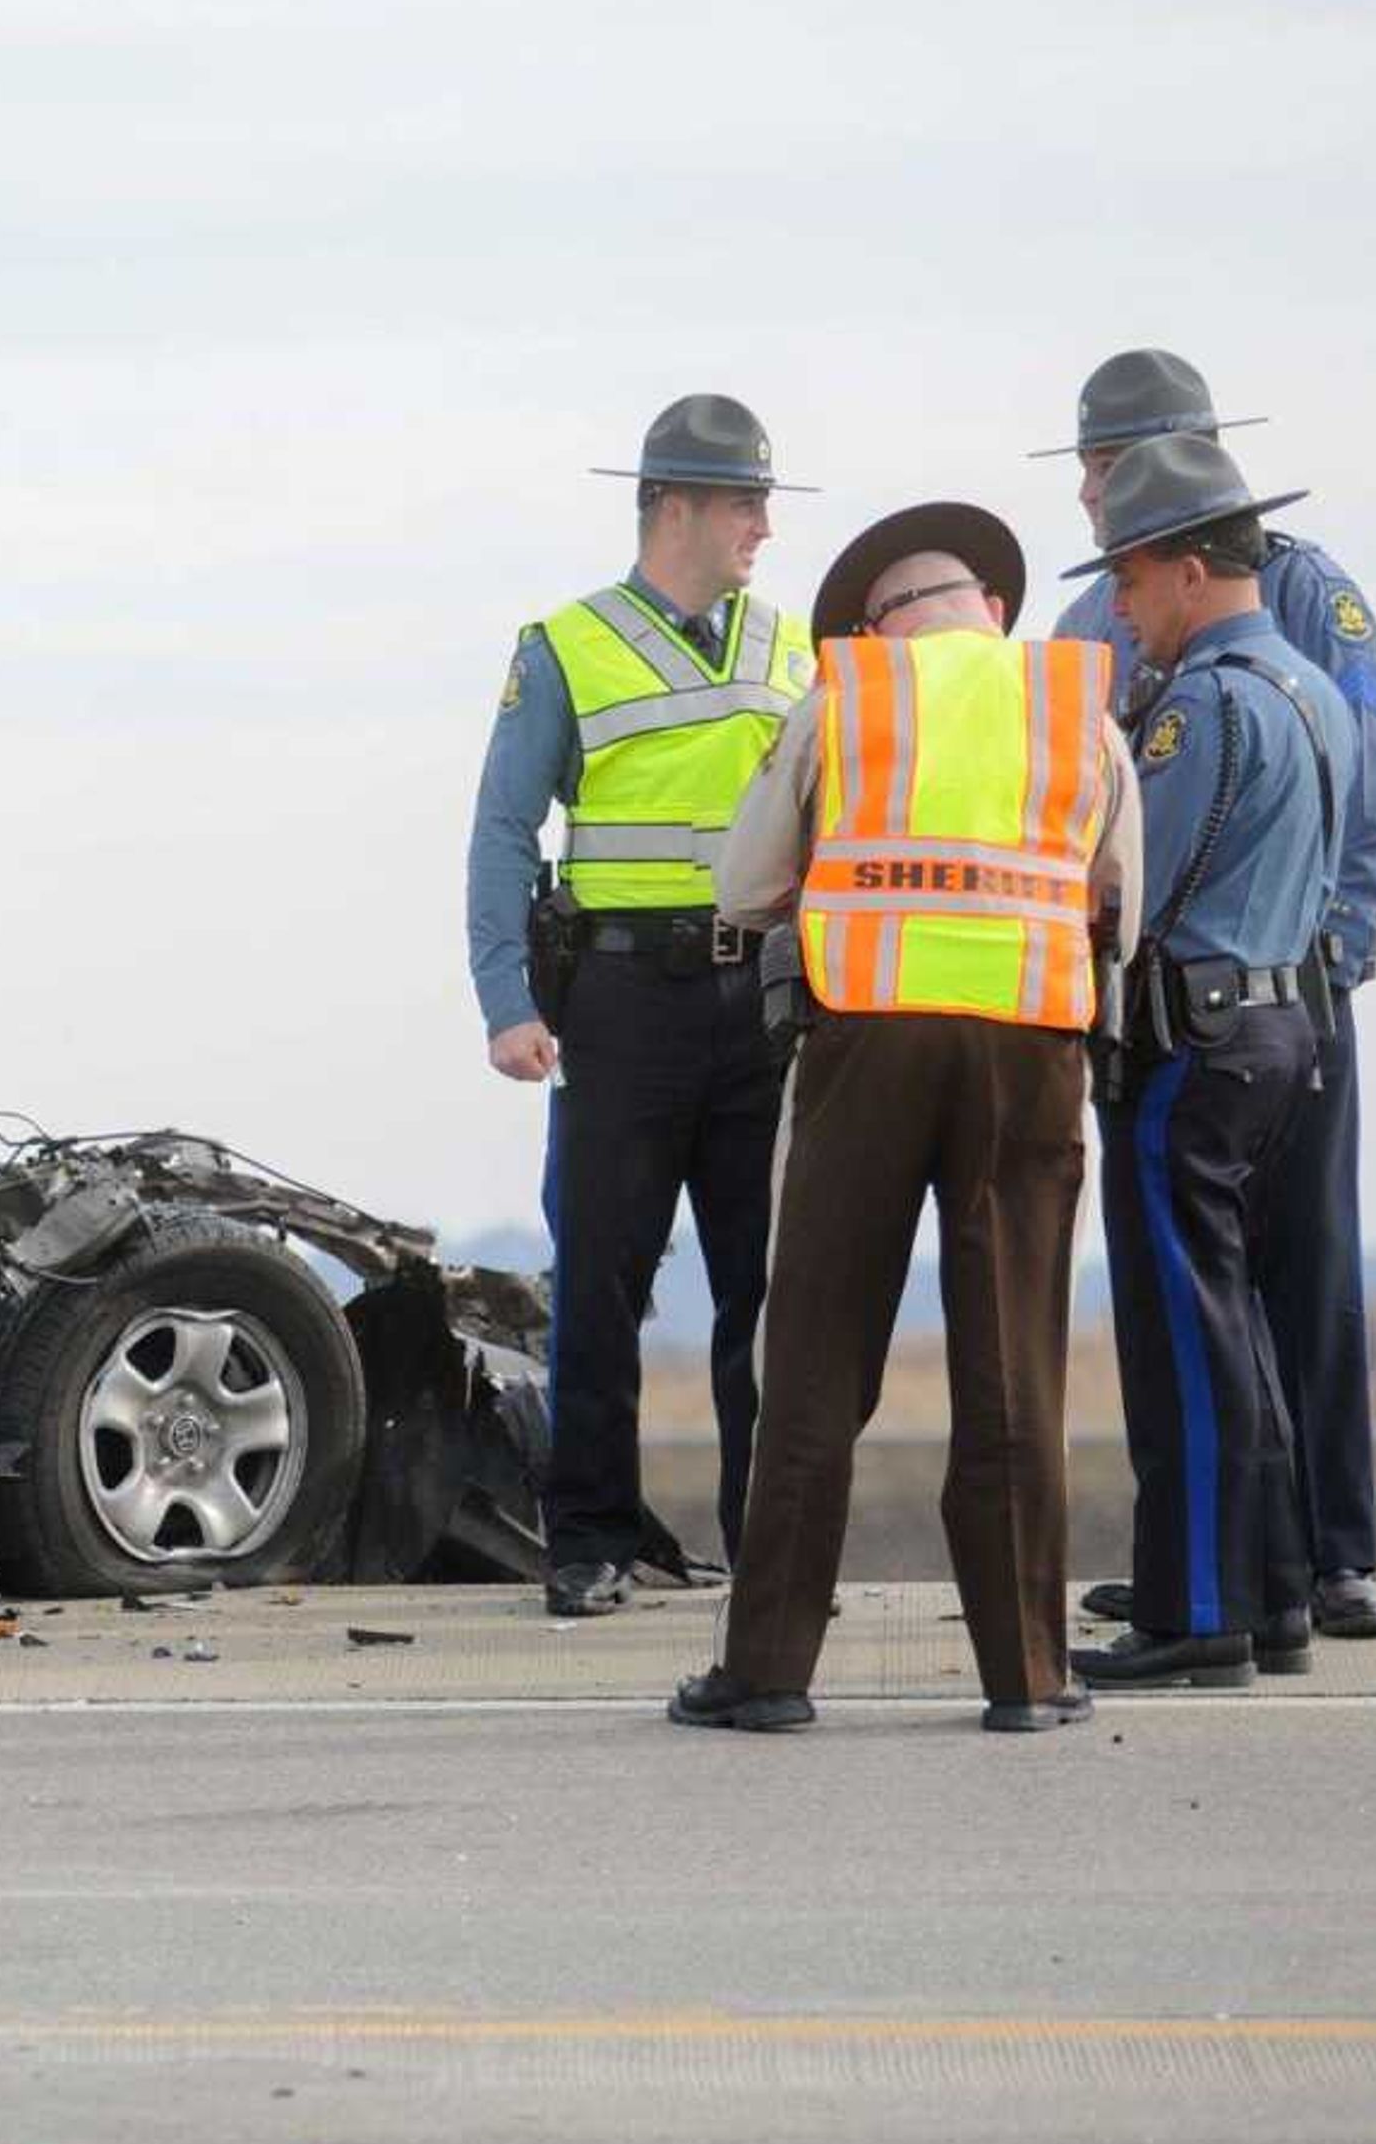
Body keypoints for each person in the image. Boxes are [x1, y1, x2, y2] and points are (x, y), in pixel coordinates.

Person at [665, 504, 1139, 1734]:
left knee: (816, 1359)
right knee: (1013, 1365)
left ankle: (769, 1674)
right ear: (989, 601)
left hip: (866, 1040)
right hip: (1030, 1052)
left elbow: (745, 883)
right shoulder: (1074, 707)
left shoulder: (848, 701)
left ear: (882, 620)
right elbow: (1118, 903)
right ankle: (1029, 1678)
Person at [1040, 351, 1376, 1639]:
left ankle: (1312, 1559)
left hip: (1250, 995)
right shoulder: (1100, 619)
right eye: (1088, 469)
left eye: (1115, 470)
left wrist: (1318, 959)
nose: (1096, 497)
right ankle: (1233, 1562)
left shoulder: (1301, 598)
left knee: (1285, 1283)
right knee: (1204, 1310)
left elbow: (1358, 808)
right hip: (1235, 1002)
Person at [465, 394, 816, 1615]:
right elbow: (505, 831)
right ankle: (590, 1538)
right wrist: (505, 999)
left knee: (764, 1285)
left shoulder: (795, 649)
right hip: (621, 1000)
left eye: (766, 502)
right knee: (604, 1272)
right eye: (742, 502)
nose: (763, 526)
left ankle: (768, 1540)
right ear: (670, 505)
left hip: (760, 1000)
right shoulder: (565, 646)